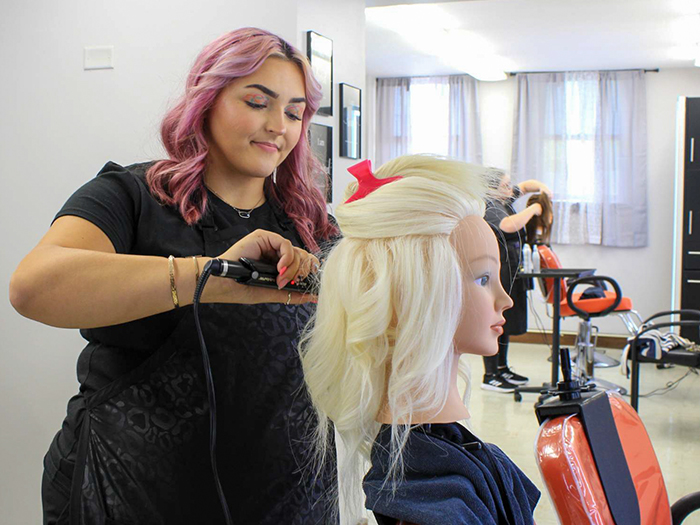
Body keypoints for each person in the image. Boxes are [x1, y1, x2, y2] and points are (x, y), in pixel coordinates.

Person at [9, 28, 338, 525]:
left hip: (285, 496)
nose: (278, 126)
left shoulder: (312, 226)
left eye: (294, 113)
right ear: (207, 100)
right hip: (125, 489)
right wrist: (208, 278)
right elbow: (33, 287)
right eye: (257, 102)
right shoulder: (131, 196)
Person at [300, 155, 541, 525]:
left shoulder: (443, 468)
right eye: (482, 278)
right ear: (417, 293)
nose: (504, 299)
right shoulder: (430, 499)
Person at [481, 169, 553, 393]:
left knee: (507, 322)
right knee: (494, 322)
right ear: (492, 188)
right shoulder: (489, 206)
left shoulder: (503, 199)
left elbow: (528, 184)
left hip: (511, 270)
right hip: (497, 272)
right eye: (504, 185)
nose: (510, 189)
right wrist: (533, 208)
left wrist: (543, 190)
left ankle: (502, 368)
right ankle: (490, 375)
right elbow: (508, 226)